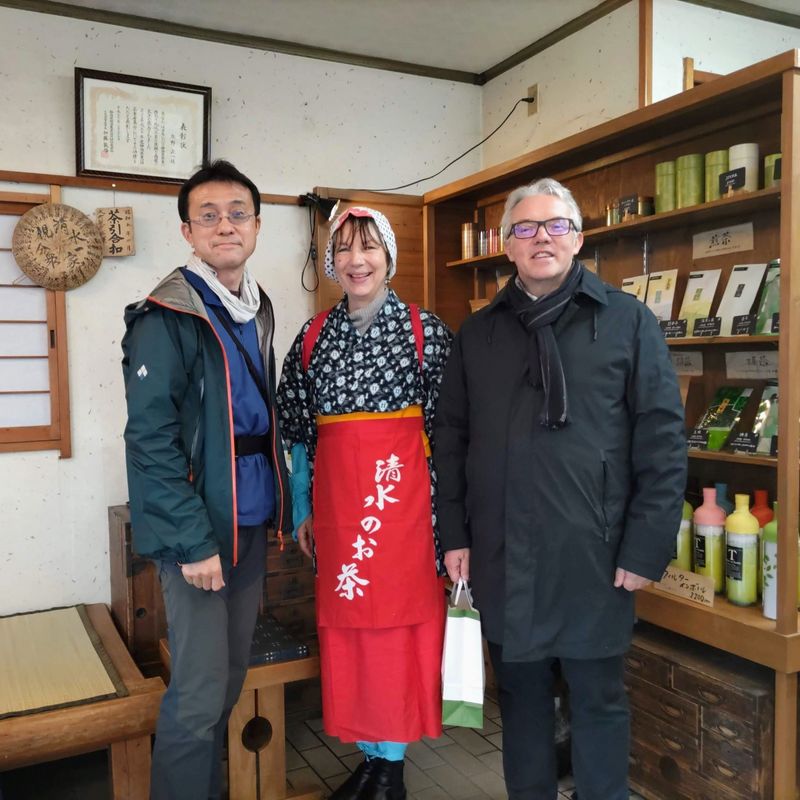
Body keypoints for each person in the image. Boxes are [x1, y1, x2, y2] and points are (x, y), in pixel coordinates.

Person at [433, 178, 687, 800]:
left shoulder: (626, 322)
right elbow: (451, 441)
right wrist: (455, 534)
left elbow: (662, 439)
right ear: (508, 247)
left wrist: (644, 546)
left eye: (554, 226)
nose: (540, 237)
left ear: (577, 238)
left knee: (598, 699)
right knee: (520, 703)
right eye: (525, 228)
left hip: (594, 553)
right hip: (502, 551)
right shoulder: (479, 333)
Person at [122, 159, 291, 800]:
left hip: (249, 521)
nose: (226, 226)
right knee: (196, 694)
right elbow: (150, 440)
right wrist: (193, 542)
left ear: (256, 225)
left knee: (226, 682)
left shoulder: (256, 307)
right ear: (188, 231)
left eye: (238, 214)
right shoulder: (167, 314)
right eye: (209, 216)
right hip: (202, 529)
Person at [277, 207, 452, 800]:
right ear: (331, 262)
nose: (357, 260)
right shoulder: (310, 339)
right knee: (352, 628)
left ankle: (393, 766)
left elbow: (452, 437)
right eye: (345, 249)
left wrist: (451, 526)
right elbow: (298, 432)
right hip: (338, 504)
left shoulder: (426, 332)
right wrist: (302, 507)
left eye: (369, 248)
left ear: (389, 257)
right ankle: (373, 759)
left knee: (400, 629)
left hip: (405, 509)